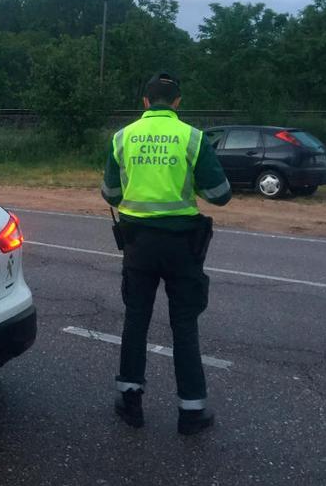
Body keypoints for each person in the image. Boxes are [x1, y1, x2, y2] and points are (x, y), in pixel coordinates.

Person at [101, 71, 231, 435]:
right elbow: (220, 193)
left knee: (136, 319)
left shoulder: (122, 137)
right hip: (182, 245)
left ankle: (130, 401)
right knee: (184, 326)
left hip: (137, 244)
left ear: (145, 101)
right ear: (177, 102)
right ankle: (192, 411)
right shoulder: (192, 137)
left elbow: (110, 193)